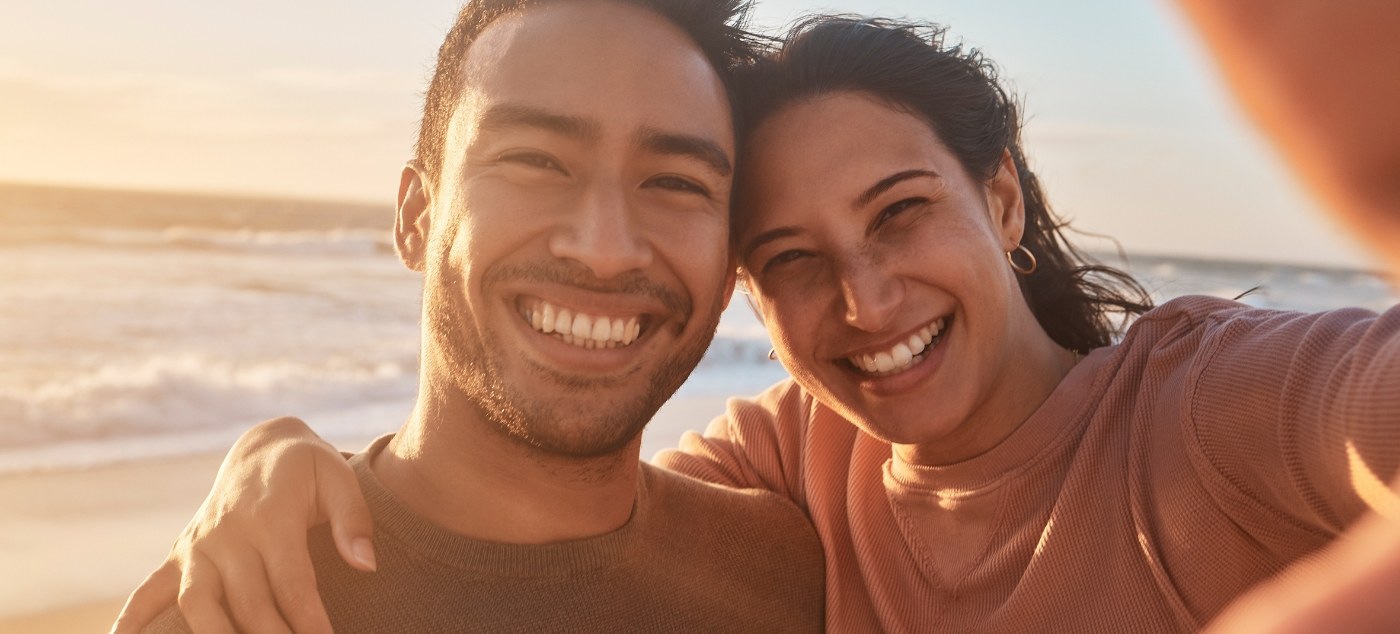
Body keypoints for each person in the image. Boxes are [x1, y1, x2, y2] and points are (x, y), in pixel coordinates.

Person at [117, 2, 1400, 633]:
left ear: (999, 195)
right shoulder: (803, 475)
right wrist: (277, 453)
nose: (864, 300)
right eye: (788, 255)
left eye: (900, 212)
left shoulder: (1211, 404)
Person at [129, 0, 829, 631]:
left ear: (732, 254)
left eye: (675, 182)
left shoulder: (786, 567)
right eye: (536, 160)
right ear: (415, 216)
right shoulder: (231, 611)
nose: (607, 249)